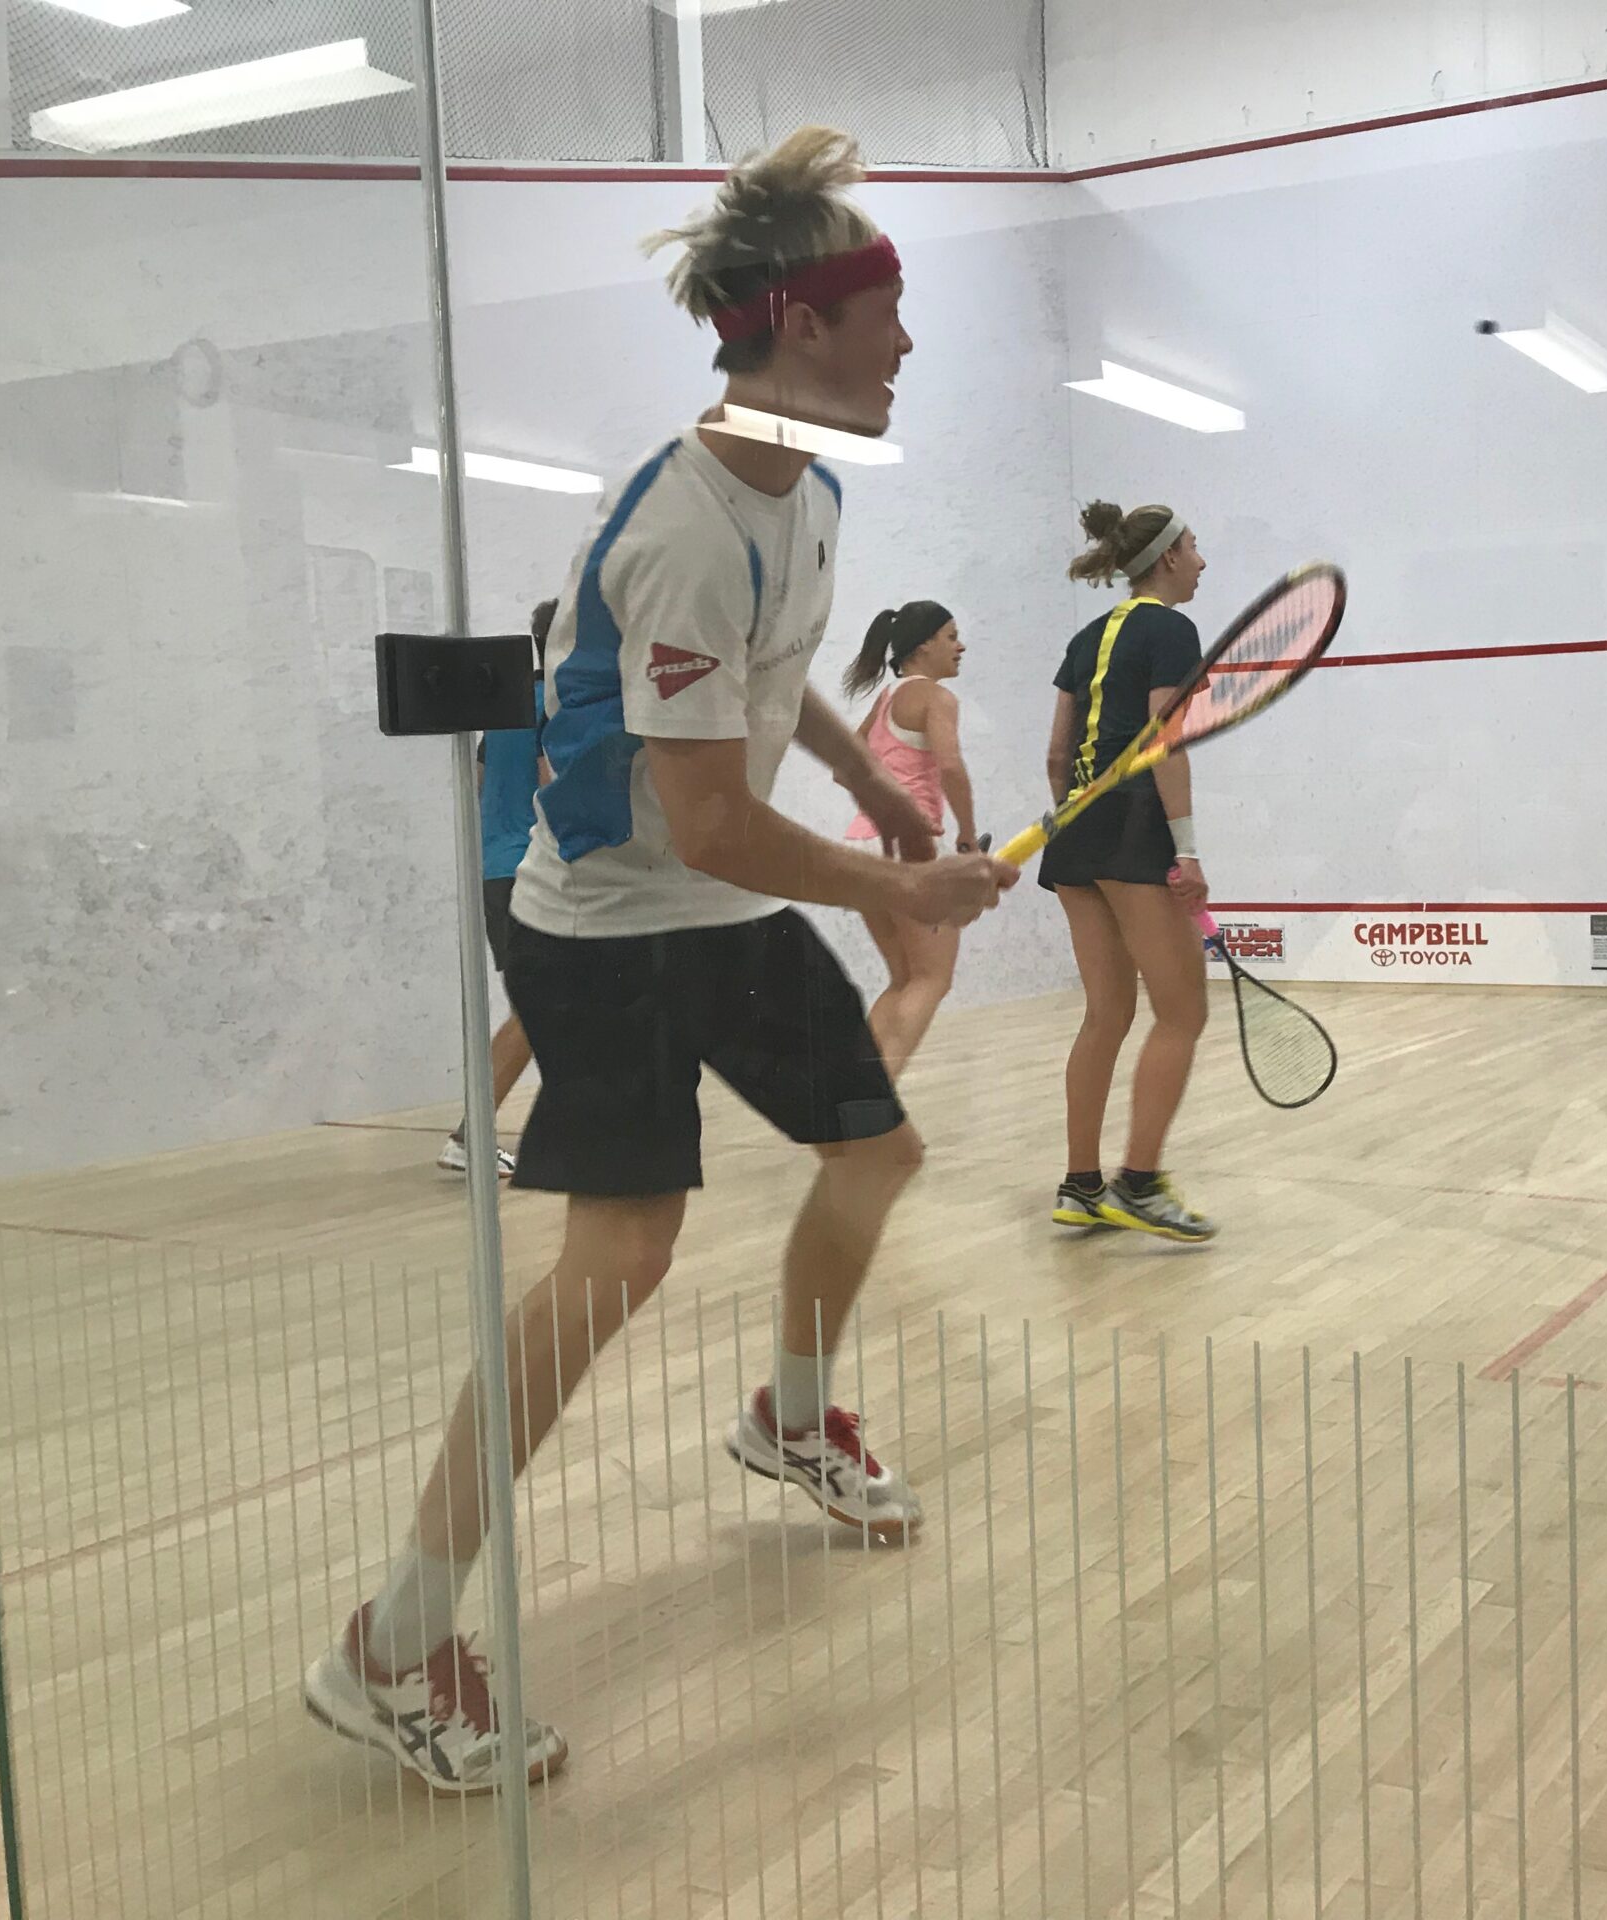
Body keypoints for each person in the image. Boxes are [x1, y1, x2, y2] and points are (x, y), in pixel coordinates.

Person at [303, 126, 1010, 1795]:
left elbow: (776, 673)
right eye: (888, 314)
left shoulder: (808, 489)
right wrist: (898, 879)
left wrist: (860, 784)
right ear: (800, 325)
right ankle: (390, 1641)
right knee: (618, 1259)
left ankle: (790, 1416)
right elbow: (703, 821)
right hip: (608, 928)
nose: (909, 342)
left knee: (874, 1150)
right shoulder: (680, 526)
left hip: (716, 907)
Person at [1039, 499, 1216, 1243]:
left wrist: (1073, 816)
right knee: (1182, 1013)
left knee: (1106, 1014)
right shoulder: (1171, 630)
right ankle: (1139, 1185)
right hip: (1136, 834)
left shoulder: (1086, 637)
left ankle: (1081, 1187)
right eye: (1195, 547)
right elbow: (1165, 741)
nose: (1202, 562)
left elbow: (1058, 753)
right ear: (1168, 556)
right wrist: (1186, 849)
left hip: (1073, 834)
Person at [439, 597, 552, 1177]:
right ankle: (470, 1137)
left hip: (498, 872)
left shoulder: (507, 708)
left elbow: (484, 785)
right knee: (539, 1011)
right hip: (536, 875)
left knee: (551, 1009)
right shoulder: (560, 704)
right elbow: (554, 787)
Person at [840, 599, 977, 1076]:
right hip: (906, 851)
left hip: (862, 849)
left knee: (904, 979)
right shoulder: (936, 698)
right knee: (932, 978)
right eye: (951, 637)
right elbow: (951, 767)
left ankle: (858, 1098)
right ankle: (875, 1106)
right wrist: (967, 837)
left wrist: (880, 807)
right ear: (923, 646)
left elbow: (845, 768)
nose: (960, 647)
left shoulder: (885, 700)